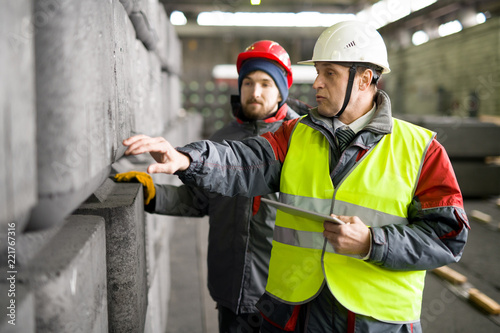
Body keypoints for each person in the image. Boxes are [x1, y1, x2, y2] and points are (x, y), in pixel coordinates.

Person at [122, 21, 469, 332]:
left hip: (374, 322)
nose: (316, 82)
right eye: (317, 72)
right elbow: (243, 159)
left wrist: (371, 243)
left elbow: (448, 235)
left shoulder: (421, 150)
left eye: (329, 73)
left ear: (365, 79)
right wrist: (186, 158)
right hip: (294, 312)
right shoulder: (296, 134)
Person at [116, 40, 306, 333]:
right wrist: (154, 195)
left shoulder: (303, 141)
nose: (255, 92)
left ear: (282, 90)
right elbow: (200, 200)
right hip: (230, 291)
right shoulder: (223, 139)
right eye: (249, 83)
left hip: (281, 297)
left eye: (266, 84)